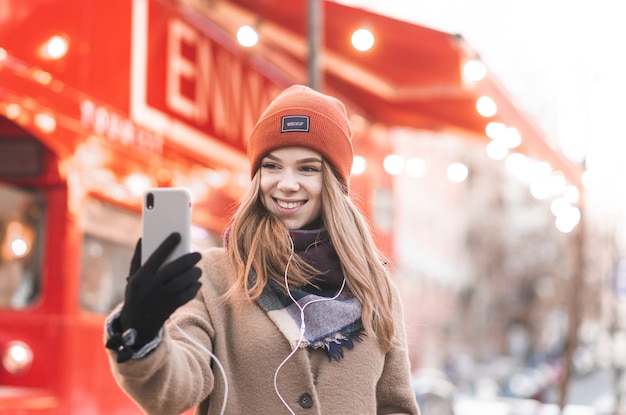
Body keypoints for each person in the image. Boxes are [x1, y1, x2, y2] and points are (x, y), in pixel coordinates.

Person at [104, 85, 420, 415]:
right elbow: (173, 391)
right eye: (271, 166)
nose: (286, 183)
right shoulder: (215, 275)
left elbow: (394, 406)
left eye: (308, 168)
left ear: (334, 182)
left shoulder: (375, 287)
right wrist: (141, 333)